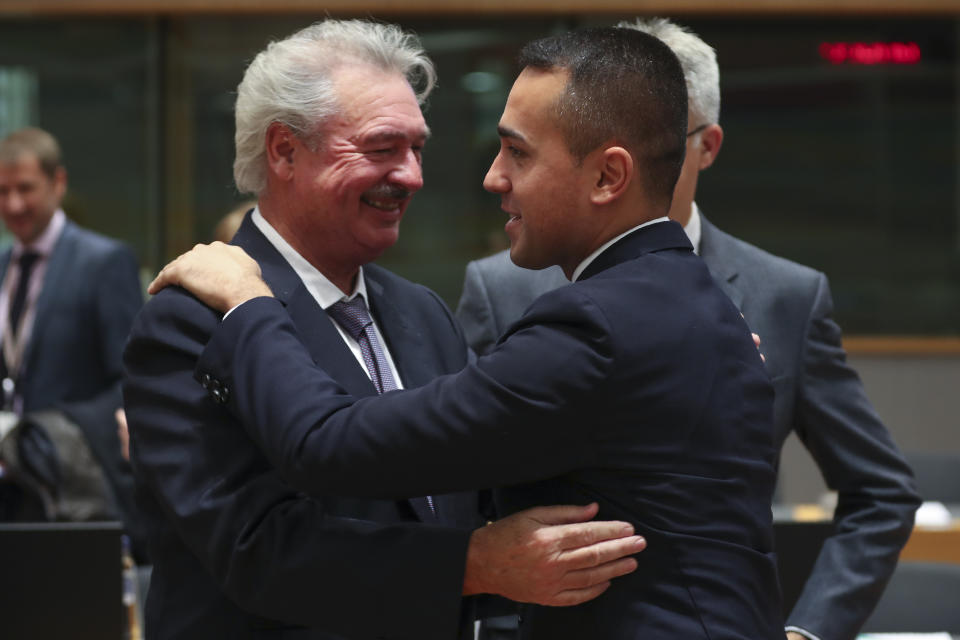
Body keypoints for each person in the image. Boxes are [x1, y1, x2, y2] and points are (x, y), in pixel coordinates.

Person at [153, 26, 786, 639]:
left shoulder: (471, 317)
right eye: (381, 147)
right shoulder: (189, 319)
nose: (415, 176)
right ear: (285, 151)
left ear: (607, 177)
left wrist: (248, 302)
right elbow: (251, 550)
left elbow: (331, 446)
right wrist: (473, 564)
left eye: (417, 149)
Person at [455, 18, 922, 640]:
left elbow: (880, 492)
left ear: (704, 145)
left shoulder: (784, 294)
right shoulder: (505, 285)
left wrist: (807, 631)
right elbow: (449, 470)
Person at [0, 127, 145, 552]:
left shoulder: (103, 261)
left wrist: (41, 436)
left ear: (57, 183)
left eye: (25, 189)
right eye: (3, 191)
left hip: (69, 488)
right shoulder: (2, 264)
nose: (14, 205)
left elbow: (130, 378)